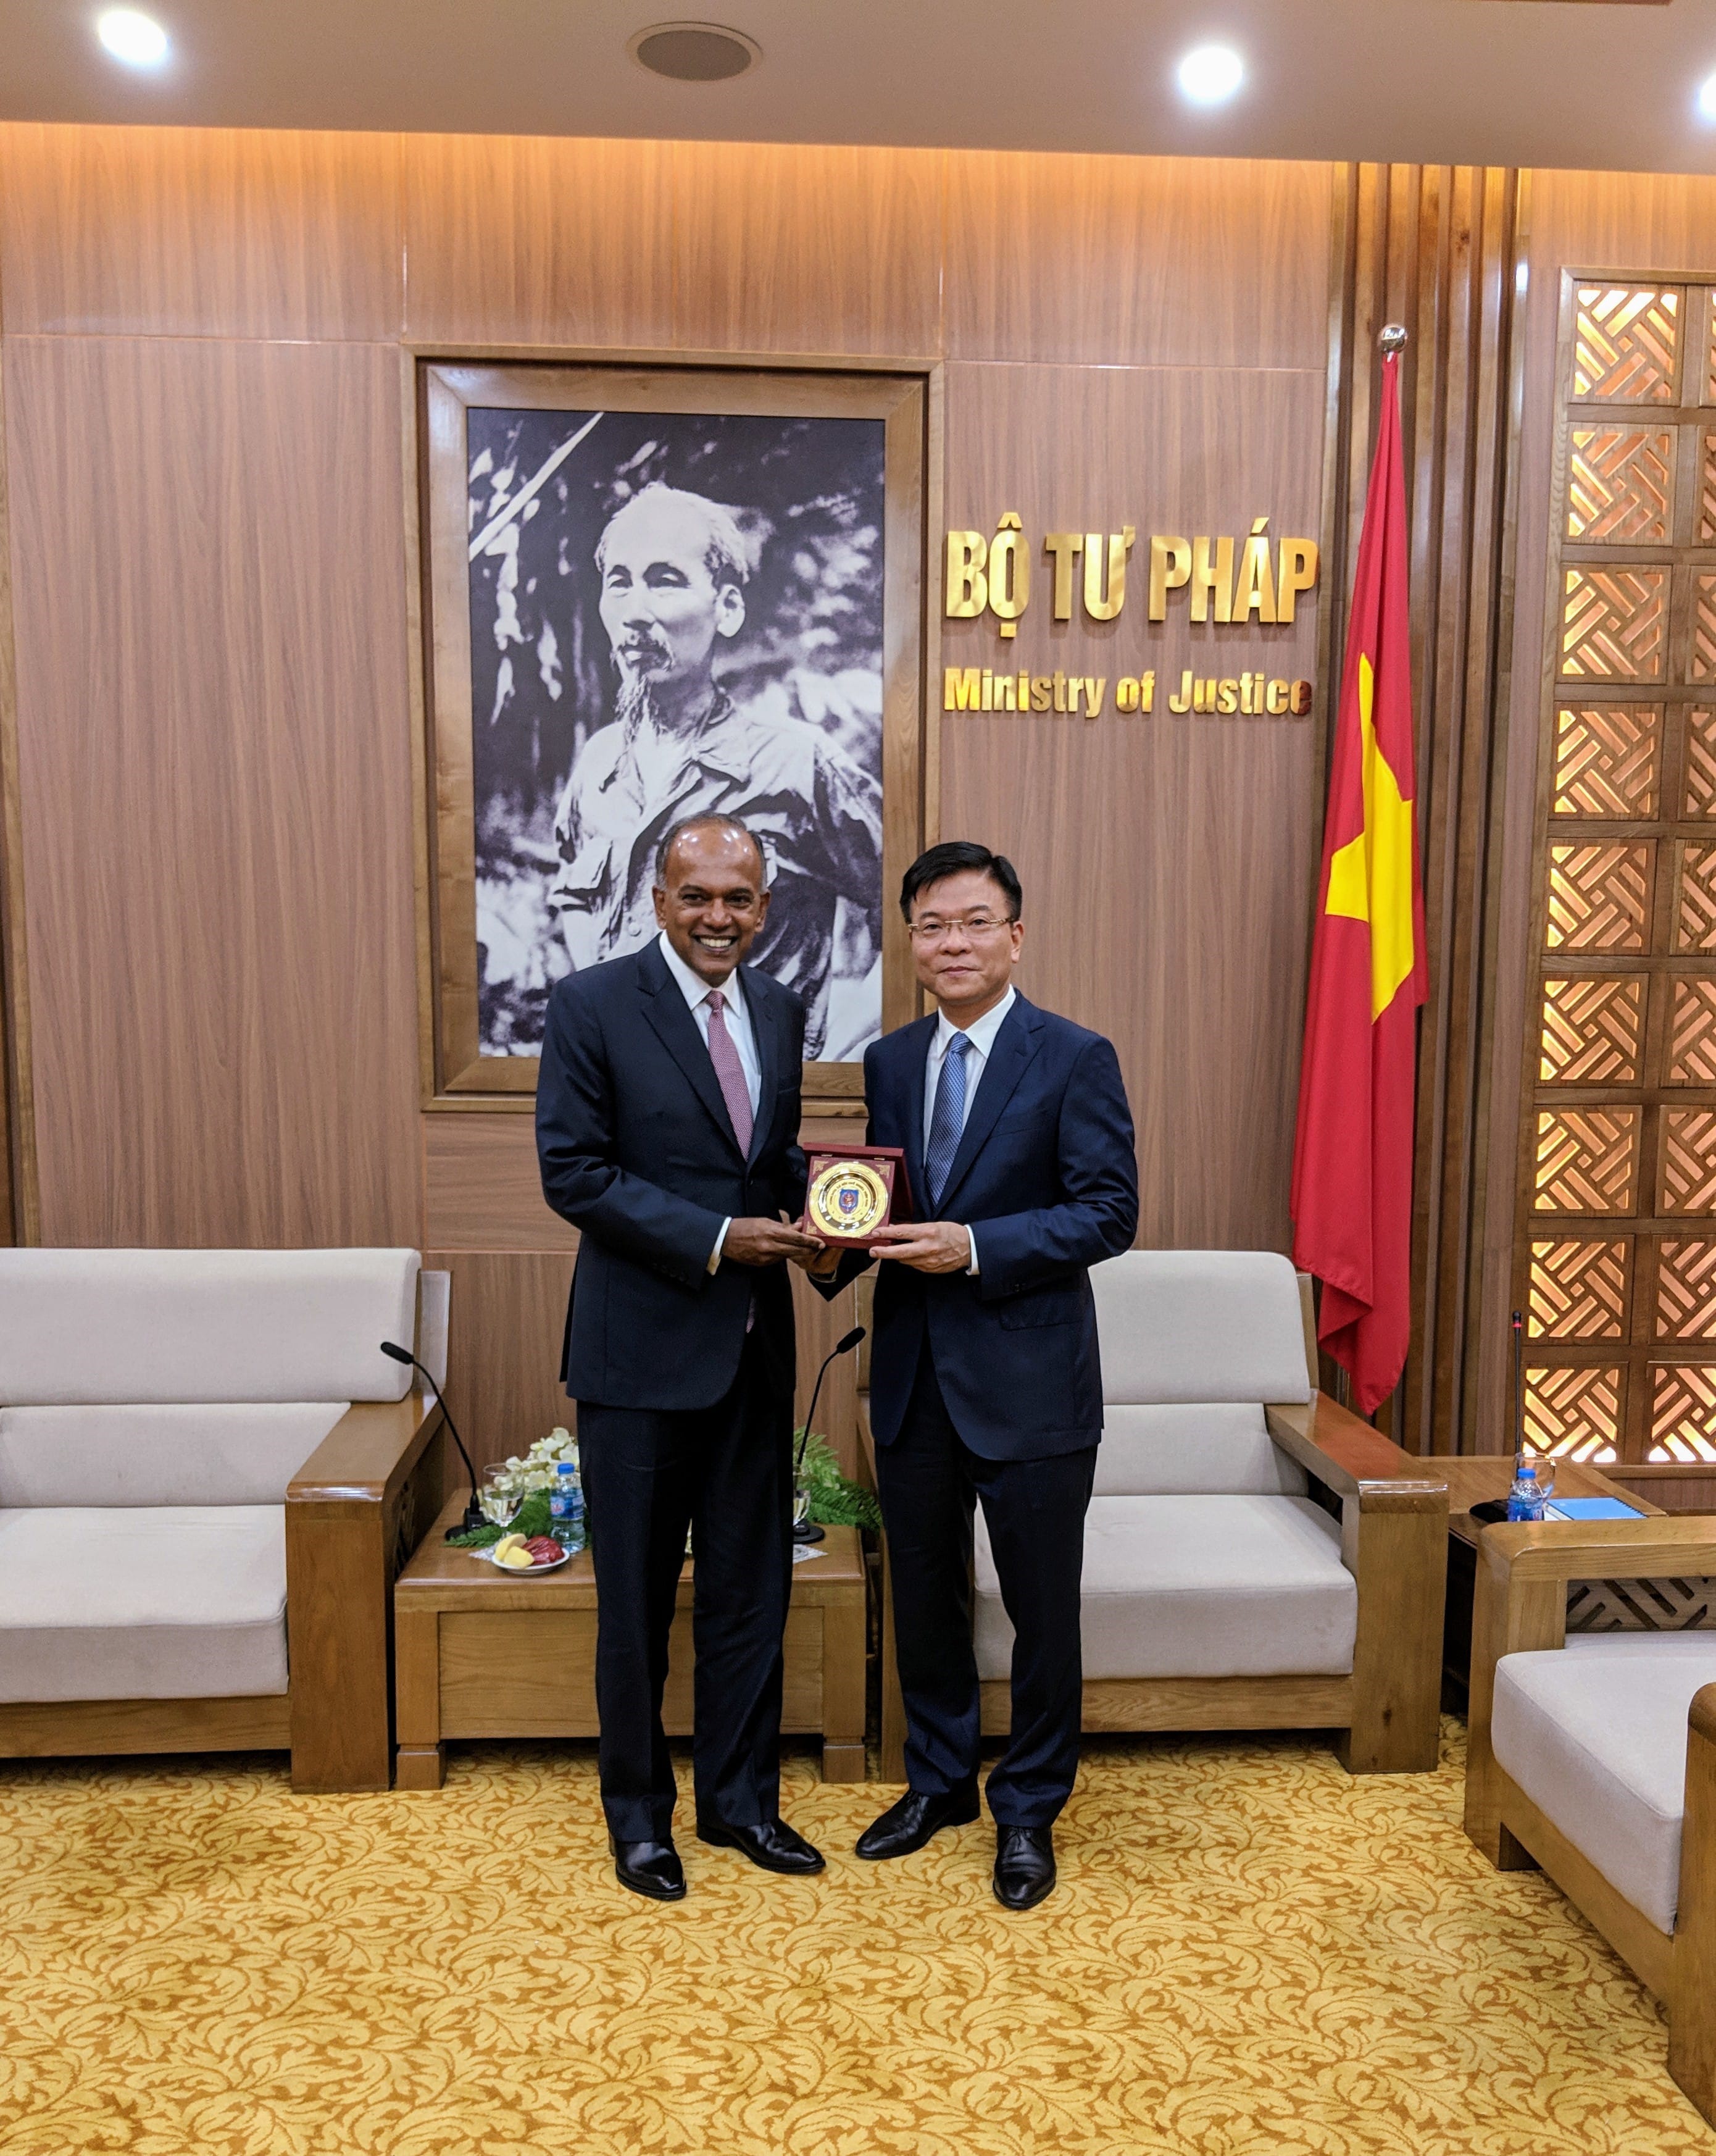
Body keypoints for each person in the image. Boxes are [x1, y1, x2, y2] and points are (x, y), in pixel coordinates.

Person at [813, 840, 1138, 1910]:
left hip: (1033, 1380)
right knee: (927, 1596)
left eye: (973, 921)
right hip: (912, 1373)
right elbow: (884, 1196)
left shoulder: (1075, 1055)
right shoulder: (894, 1060)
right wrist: (838, 1233)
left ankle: (1030, 1808)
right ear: (912, 943)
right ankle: (940, 1782)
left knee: (1042, 1609)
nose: (952, 943)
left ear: (1015, 933)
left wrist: (978, 1245)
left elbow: (1109, 1211)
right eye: (932, 926)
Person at [536, 813, 830, 1901]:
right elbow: (575, 1173)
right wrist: (718, 1240)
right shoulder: (592, 1003)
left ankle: (744, 1804)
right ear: (659, 898)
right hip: (639, 1357)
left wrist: (827, 1232)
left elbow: (771, 1163)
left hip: (754, 1349)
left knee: (752, 1588)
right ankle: (639, 1819)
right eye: (697, 895)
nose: (719, 917)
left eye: (740, 898)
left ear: (765, 905)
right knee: (638, 1602)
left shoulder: (781, 1006)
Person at [547, 482, 883, 1058]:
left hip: (755, 1114)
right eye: (619, 583)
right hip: (625, 1110)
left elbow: (916, 908)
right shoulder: (599, 763)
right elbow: (577, 899)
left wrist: (845, 1056)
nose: (636, 612)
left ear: (727, 608)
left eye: (665, 580)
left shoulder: (795, 763)